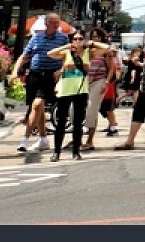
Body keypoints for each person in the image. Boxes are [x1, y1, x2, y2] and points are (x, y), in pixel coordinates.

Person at [12, 14, 70, 153]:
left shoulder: (63, 38)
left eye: (58, 22)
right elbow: (25, 56)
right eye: (53, 22)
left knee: (37, 104)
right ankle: (43, 139)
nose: (57, 25)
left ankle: (25, 139)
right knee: (38, 108)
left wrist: (61, 71)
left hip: (51, 76)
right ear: (46, 23)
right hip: (35, 75)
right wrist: (15, 71)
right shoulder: (36, 38)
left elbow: (68, 57)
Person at [45, 32, 108, 161]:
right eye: (75, 39)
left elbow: (106, 48)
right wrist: (67, 46)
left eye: (80, 38)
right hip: (65, 90)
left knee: (78, 123)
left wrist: (91, 43)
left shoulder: (88, 53)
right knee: (61, 122)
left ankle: (76, 152)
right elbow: (50, 54)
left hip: (81, 90)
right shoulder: (66, 54)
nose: (78, 41)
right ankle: (56, 152)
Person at [82, 27, 121, 148]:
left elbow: (111, 68)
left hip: (100, 80)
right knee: (81, 109)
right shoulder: (87, 50)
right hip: (86, 81)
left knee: (92, 108)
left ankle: (90, 140)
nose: (95, 39)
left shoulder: (106, 50)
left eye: (97, 37)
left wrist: (106, 82)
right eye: (93, 37)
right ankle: (79, 138)